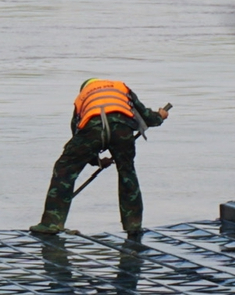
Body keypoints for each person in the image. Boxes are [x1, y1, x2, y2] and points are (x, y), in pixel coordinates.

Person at [29, 78, 170, 237]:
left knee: (64, 169)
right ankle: (133, 225)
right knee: (127, 173)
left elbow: (78, 137)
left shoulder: (83, 97)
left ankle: (51, 223)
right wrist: (160, 115)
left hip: (93, 129)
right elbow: (147, 117)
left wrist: (94, 160)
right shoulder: (121, 88)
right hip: (122, 130)